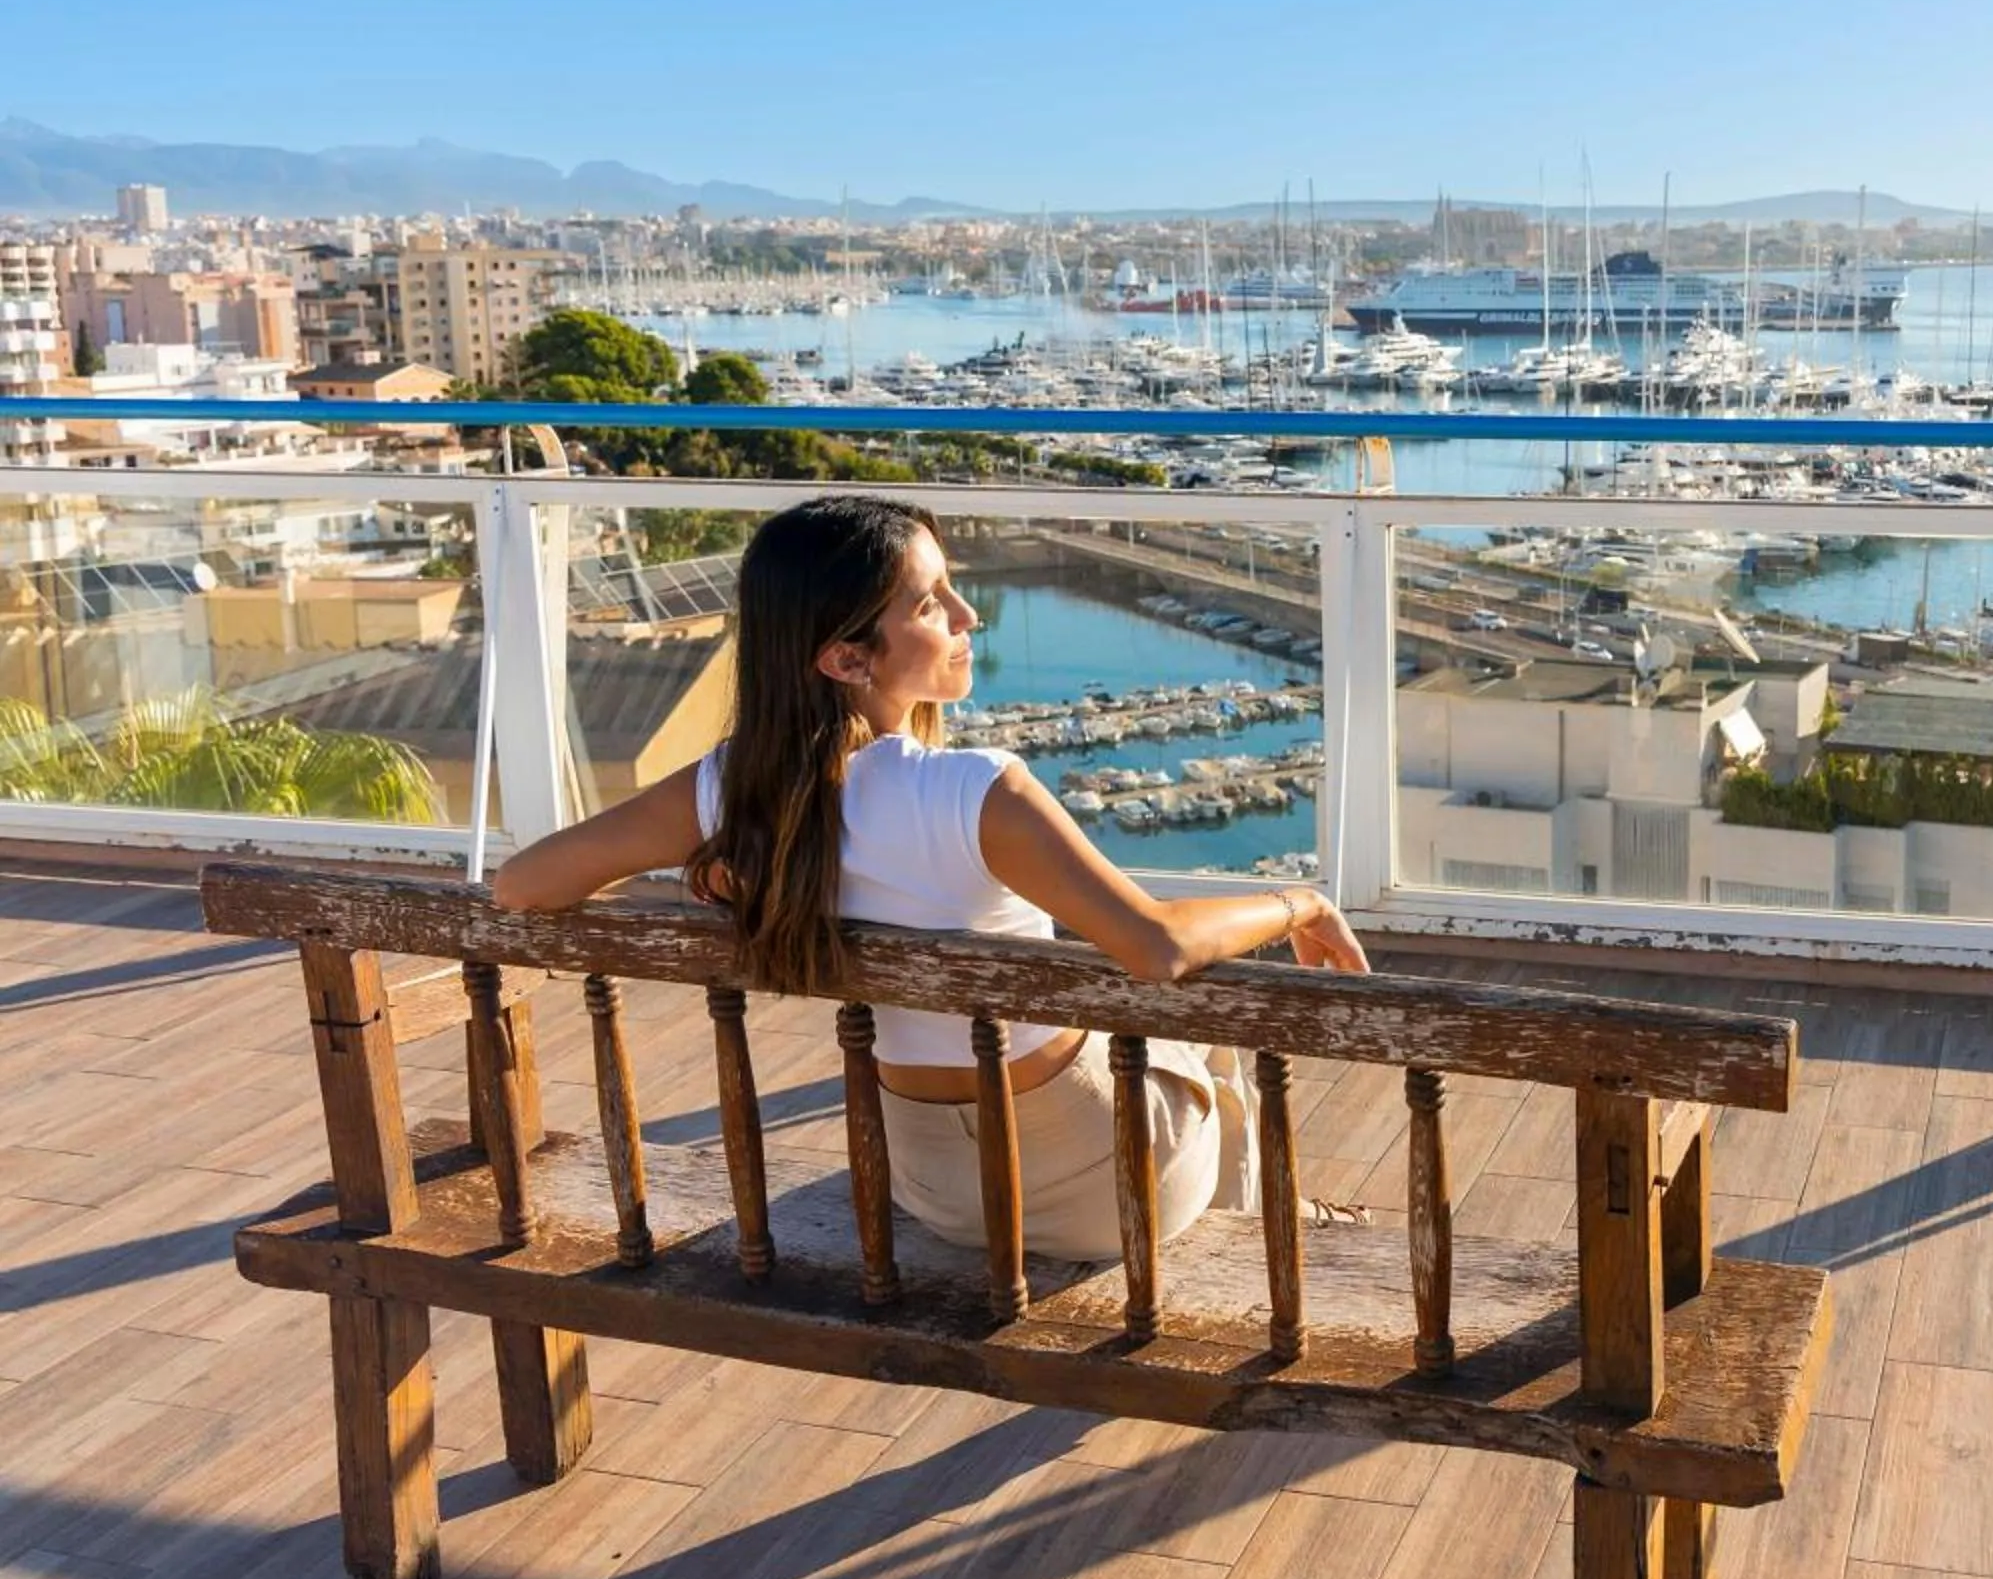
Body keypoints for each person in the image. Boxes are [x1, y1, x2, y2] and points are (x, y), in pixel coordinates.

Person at [493, 493, 1367, 1260]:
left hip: (938, 1193)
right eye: (931, 602)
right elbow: (1157, 945)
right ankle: (1278, 1216)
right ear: (845, 658)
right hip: (1108, 1192)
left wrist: (721, 875)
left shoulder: (730, 790)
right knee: (1194, 1034)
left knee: (1172, 1054)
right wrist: (1302, 901)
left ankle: (1272, 1207)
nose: (968, 615)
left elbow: (523, 885)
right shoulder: (975, 791)